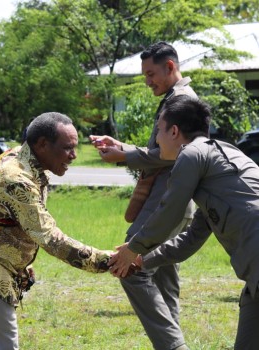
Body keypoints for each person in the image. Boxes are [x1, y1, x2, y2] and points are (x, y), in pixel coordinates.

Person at [0, 112, 111, 350]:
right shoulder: (17, 179)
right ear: (42, 144)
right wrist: (106, 261)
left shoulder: (24, 159)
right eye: (68, 148)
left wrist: (22, 260)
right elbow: (50, 238)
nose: (74, 155)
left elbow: (14, 222)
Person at [108, 94, 259, 349]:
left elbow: (169, 211)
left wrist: (133, 248)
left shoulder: (191, 154)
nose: (156, 140)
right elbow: (189, 240)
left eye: (158, 132)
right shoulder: (216, 163)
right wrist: (142, 260)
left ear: (174, 131)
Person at [90, 42, 197, 350]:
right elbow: (162, 149)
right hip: (176, 203)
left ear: (170, 67)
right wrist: (120, 146)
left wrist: (123, 157)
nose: (148, 81)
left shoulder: (181, 101)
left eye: (152, 74)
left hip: (167, 203)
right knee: (165, 282)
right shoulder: (177, 99)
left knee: (129, 267)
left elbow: (172, 156)